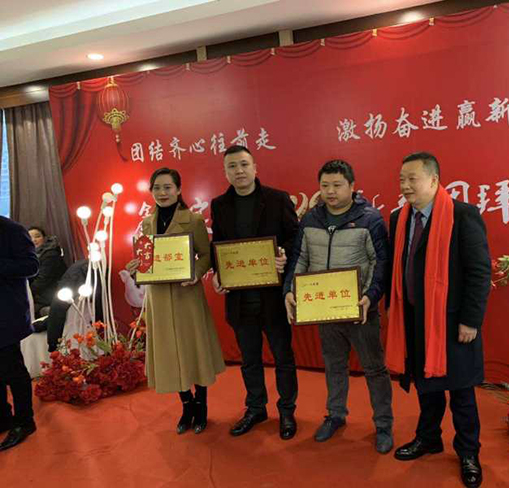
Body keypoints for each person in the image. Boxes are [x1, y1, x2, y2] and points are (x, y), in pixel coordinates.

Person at [386, 152, 491, 488]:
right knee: (426, 387)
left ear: (433, 180)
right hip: (415, 320)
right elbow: (396, 268)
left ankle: (469, 452)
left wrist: (471, 320)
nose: (405, 186)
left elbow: (479, 272)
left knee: (461, 393)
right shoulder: (399, 219)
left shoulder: (462, 215)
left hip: (452, 322)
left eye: (412, 179)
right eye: (401, 179)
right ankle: (428, 438)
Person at [284, 159, 394, 454]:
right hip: (325, 310)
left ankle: (383, 424)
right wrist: (290, 290)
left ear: (352, 186)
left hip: (360, 310)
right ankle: (335, 415)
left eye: (337, 185)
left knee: (374, 368)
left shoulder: (370, 219)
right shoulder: (311, 219)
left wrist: (370, 296)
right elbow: (300, 258)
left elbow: (380, 262)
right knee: (334, 365)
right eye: (325, 186)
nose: (330, 192)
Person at [126, 167, 226, 435]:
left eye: (168, 187)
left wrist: (196, 272)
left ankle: (201, 405)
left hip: (186, 295)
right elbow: (145, 261)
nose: (162, 193)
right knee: (169, 351)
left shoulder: (193, 220)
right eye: (157, 188)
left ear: (179, 189)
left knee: (194, 349)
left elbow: (206, 255)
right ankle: (186, 405)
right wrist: (136, 268)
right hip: (158, 298)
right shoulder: (146, 224)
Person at [210, 145, 299, 440]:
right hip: (240, 298)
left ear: (255, 167)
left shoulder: (277, 199)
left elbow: (295, 238)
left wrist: (283, 255)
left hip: (273, 296)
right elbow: (218, 246)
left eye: (244, 164)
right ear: (225, 172)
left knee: (283, 357)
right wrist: (218, 274)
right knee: (249, 360)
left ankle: (287, 411)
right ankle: (256, 408)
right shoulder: (219, 205)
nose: (239, 171)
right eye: (232, 166)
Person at [0, 216, 39, 451]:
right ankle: (3, 417)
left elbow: (31, 266)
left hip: (6, 314)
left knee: (13, 370)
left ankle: (25, 421)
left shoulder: (12, 230)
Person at [27, 226, 67, 318]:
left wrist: (26, 292)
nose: (34, 240)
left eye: (37, 236)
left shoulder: (50, 255)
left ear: (44, 238)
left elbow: (42, 280)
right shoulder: (30, 256)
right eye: (30, 237)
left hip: (51, 295)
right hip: (40, 295)